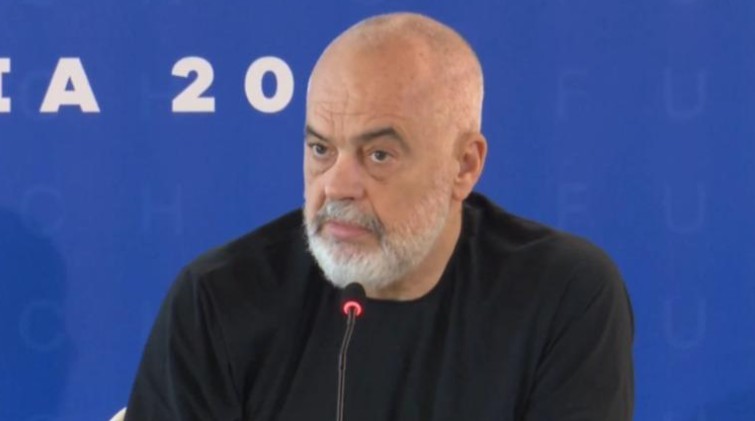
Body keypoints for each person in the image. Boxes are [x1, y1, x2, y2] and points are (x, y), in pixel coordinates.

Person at [124, 12, 634, 421]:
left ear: (464, 166)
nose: (336, 187)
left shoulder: (563, 294)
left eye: (378, 155)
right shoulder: (218, 299)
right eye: (321, 149)